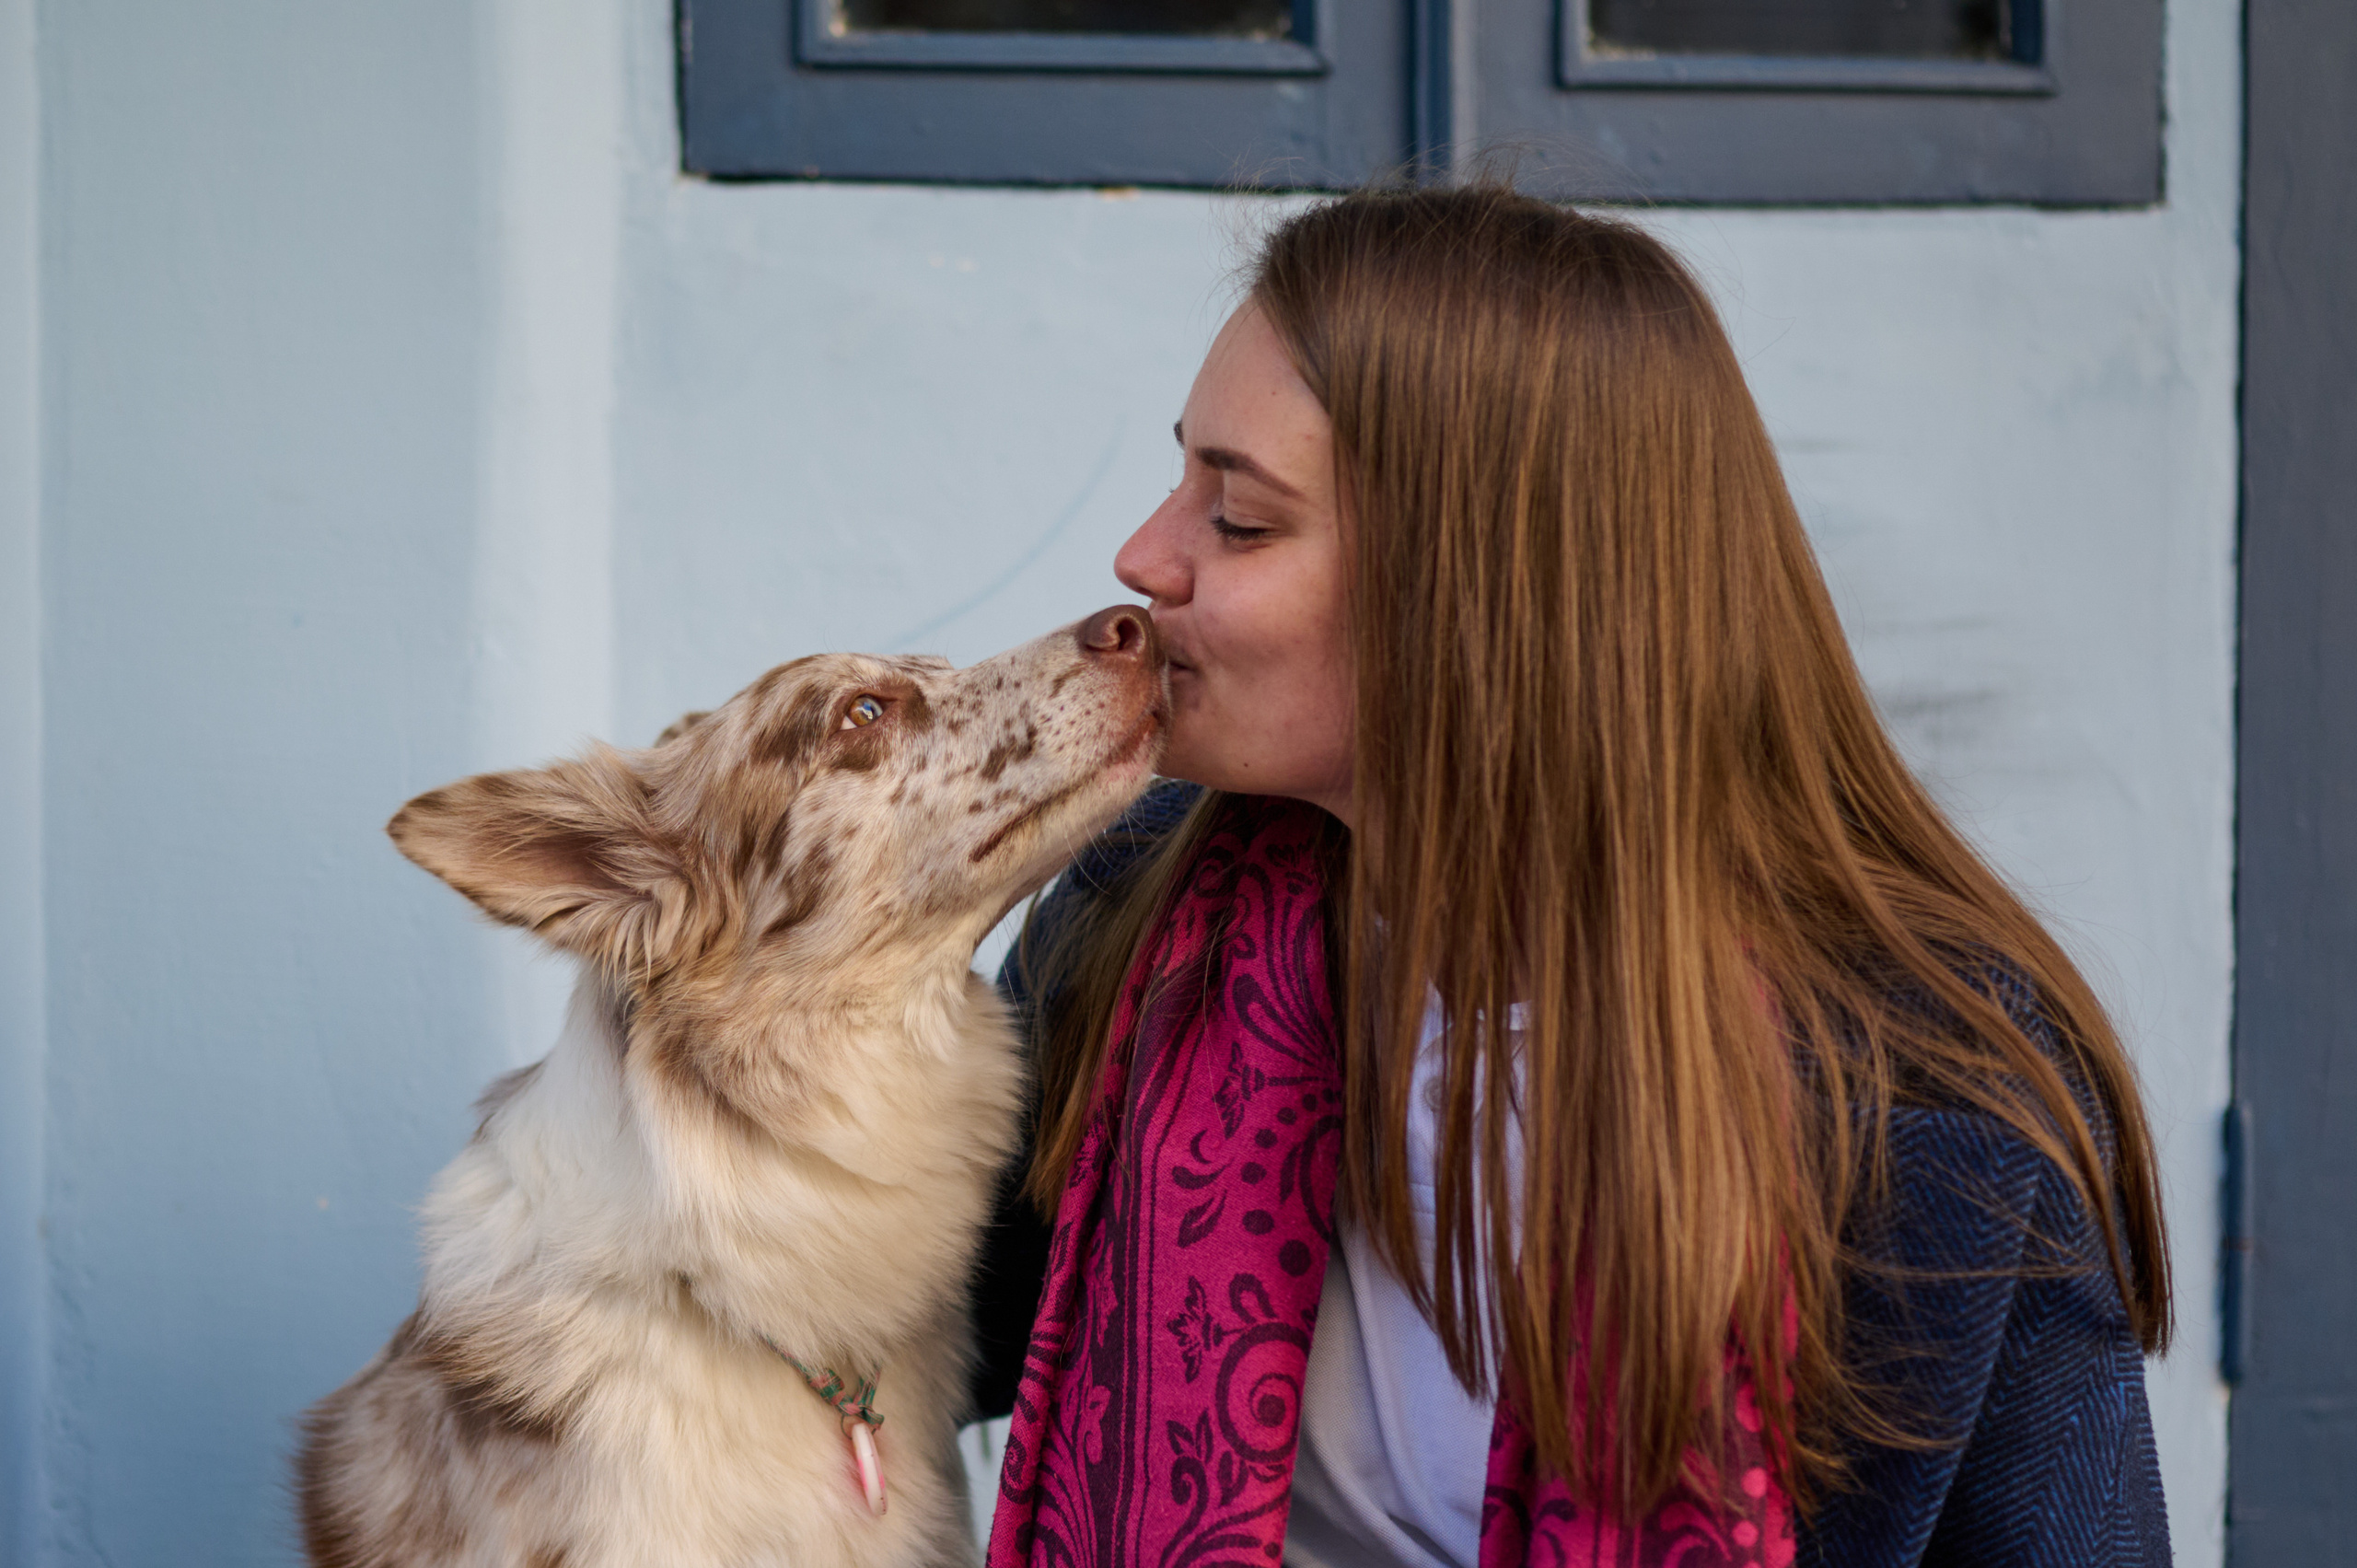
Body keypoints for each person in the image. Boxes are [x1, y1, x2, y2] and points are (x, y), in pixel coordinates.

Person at [967, 182, 2173, 1568]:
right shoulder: (1140, 914)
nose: (1143, 556)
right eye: (1185, 478)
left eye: (1238, 520)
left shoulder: (1924, 1101)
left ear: (1475, 595)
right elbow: (881, 1350)